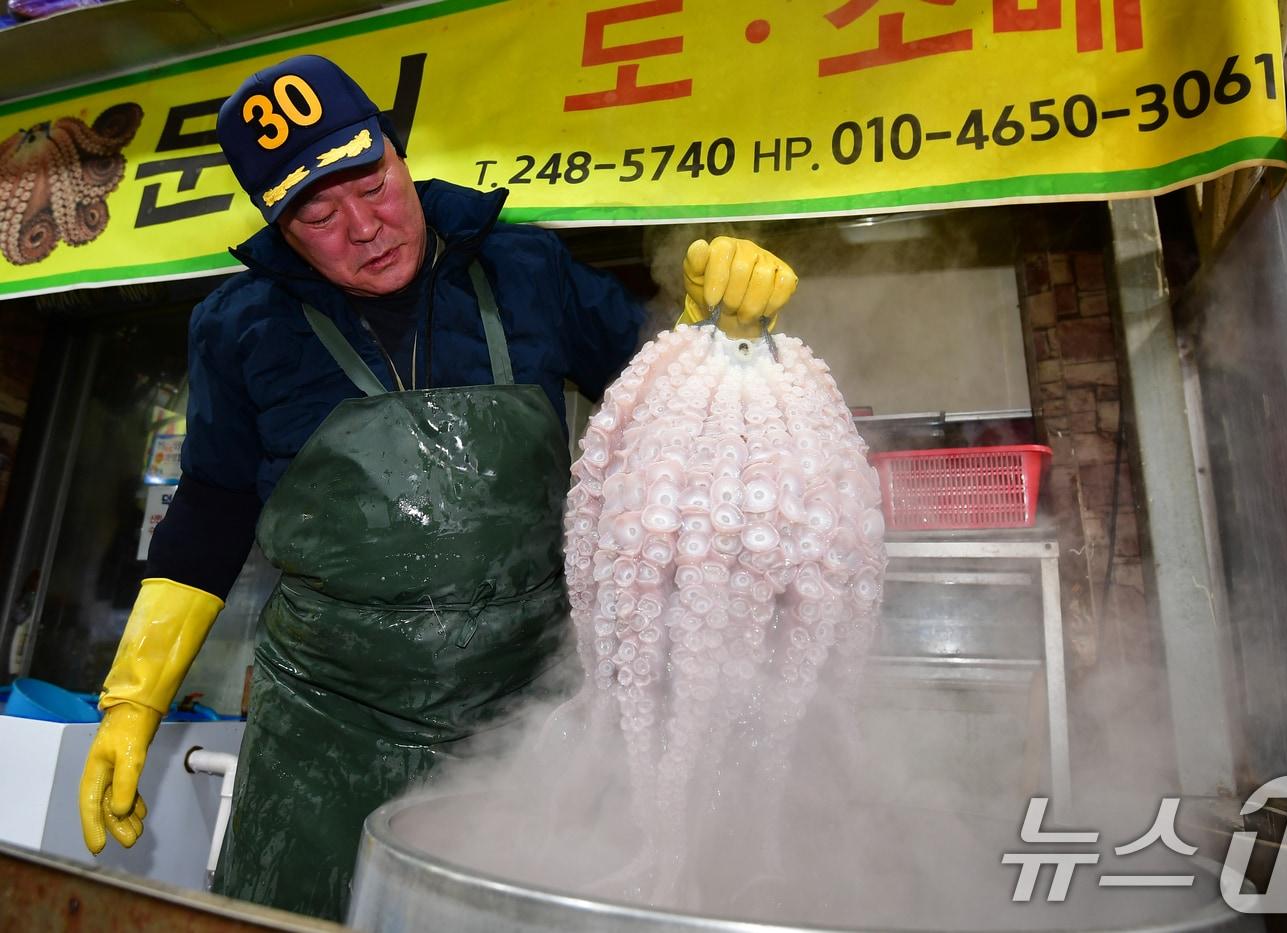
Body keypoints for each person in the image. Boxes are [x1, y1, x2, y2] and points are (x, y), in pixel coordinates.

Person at [74, 54, 796, 922]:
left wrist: (721, 328)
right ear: (279, 226)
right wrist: (133, 699)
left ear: (396, 148)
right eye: (318, 211)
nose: (365, 227)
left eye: (369, 180)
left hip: (526, 720)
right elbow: (213, 509)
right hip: (322, 730)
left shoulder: (527, 268)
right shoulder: (239, 329)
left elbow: (669, 398)